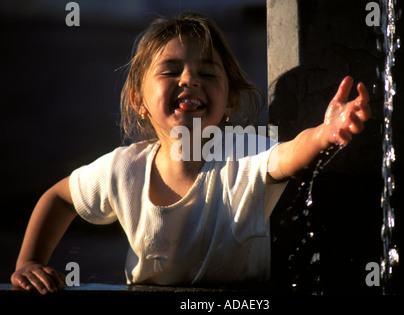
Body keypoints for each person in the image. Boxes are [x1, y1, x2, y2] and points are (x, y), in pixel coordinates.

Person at [11, 12, 370, 294]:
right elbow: (60, 198)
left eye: (207, 73)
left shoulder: (244, 155)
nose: (189, 79)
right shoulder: (124, 169)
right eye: (171, 70)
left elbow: (290, 154)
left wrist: (324, 134)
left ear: (229, 100)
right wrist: (28, 262)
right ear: (138, 100)